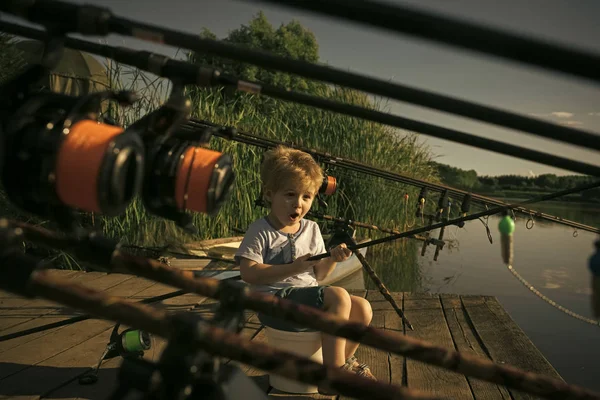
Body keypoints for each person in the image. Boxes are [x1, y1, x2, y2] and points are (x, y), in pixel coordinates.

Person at [235, 145, 376, 390]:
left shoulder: (311, 229)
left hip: (304, 299)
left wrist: (333, 258)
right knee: (339, 295)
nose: (297, 205)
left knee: (362, 307)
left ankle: (343, 362)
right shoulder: (260, 230)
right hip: (272, 302)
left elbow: (319, 275)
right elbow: (248, 273)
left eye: (306, 197)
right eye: (289, 195)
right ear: (269, 194)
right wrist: (293, 268)